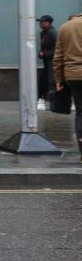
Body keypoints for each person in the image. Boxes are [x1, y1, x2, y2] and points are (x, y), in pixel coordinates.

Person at [53, 9, 82, 162]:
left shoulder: (66, 27)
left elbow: (58, 57)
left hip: (73, 75)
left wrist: (58, 79)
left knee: (80, 113)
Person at [37, 14, 58, 109]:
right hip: (47, 61)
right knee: (45, 81)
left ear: (49, 23)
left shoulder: (52, 33)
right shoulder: (43, 33)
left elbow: (57, 47)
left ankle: (44, 101)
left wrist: (46, 54)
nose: (41, 24)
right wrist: (40, 53)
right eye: (40, 22)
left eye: (43, 22)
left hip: (52, 61)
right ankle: (42, 100)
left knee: (49, 81)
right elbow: (43, 48)